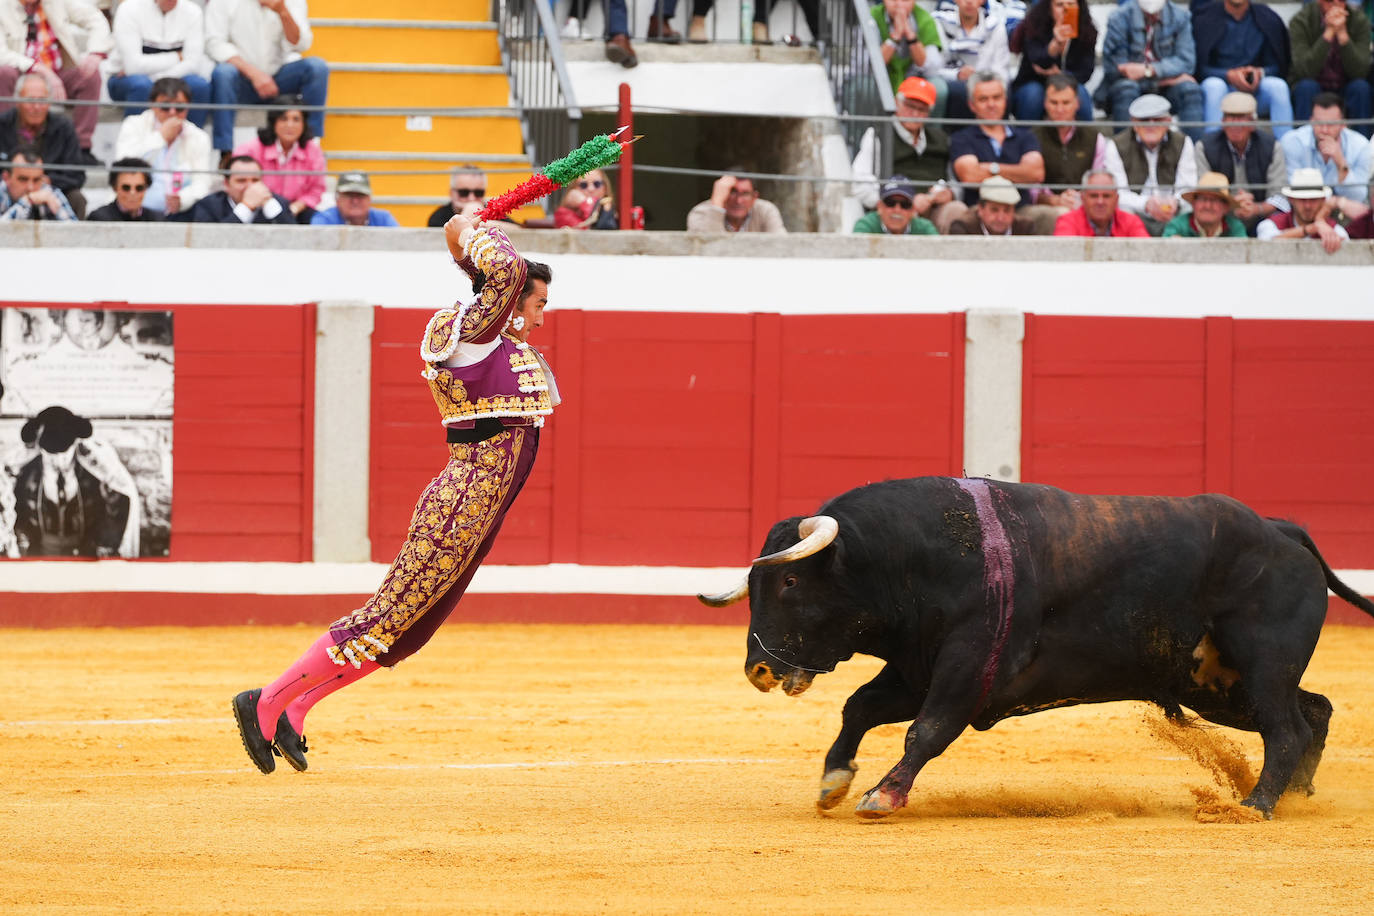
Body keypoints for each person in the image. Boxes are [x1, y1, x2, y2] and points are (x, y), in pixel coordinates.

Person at [231, 214, 558, 774]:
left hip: (479, 510)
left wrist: (463, 242)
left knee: (408, 629)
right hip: (460, 505)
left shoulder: (494, 343)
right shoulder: (471, 335)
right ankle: (263, 700)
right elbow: (501, 268)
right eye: (537, 302)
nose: (539, 315)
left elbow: (491, 270)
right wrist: (469, 225)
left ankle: (298, 706)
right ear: (509, 299)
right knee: (386, 616)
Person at [205, 0, 328, 157]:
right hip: (241, 81)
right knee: (223, 73)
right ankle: (225, 152)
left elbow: (301, 44)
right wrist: (254, 74)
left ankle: (309, 146)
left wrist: (283, 11)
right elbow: (214, 44)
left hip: (278, 80)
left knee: (317, 68)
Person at [11, 404, 132, 557]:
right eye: (50, 454)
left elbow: (117, 504)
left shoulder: (93, 473)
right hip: (40, 552)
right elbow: (17, 510)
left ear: (74, 446)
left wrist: (102, 545)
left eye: (65, 453)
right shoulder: (26, 475)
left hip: (85, 552)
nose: (58, 460)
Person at [851, 76, 968, 233]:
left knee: (956, 210)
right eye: (909, 106)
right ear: (897, 104)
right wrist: (903, 203)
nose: (914, 113)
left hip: (934, 208)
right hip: (894, 208)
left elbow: (956, 181)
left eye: (922, 109)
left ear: (928, 113)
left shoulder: (941, 138)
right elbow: (859, 183)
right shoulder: (878, 134)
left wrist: (950, 193)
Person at [0, 0, 111, 155]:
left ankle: (81, 149)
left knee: (90, 75)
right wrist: (40, 69)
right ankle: (5, 145)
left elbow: (95, 18)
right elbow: (2, 54)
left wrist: (96, 53)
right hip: (21, 75)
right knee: (3, 73)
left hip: (59, 73)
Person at [950, 71, 1054, 229]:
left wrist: (991, 168)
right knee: (957, 216)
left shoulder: (1025, 136)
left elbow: (1035, 173)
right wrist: (1018, 172)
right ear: (972, 105)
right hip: (978, 210)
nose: (991, 104)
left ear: (1005, 101)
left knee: (1052, 216)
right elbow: (970, 176)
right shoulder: (961, 138)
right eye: (983, 99)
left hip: (1020, 210)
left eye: (996, 97)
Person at [1098, 0, 1204, 140]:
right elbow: (1115, 70)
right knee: (1126, 88)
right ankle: (1123, 154)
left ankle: (1193, 154)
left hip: (1165, 90)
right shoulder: (1119, 17)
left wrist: (1148, 70)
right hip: (1128, 89)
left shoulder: (1180, 16)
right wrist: (1167, 77)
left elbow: (1187, 62)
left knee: (1190, 90)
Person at [113, 75, 213, 216]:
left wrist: (183, 199)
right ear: (152, 105)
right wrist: (161, 137)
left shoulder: (199, 137)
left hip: (180, 212)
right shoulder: (133, 124)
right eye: (165, 106)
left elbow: (202, 182)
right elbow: (123, 166)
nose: (172, 113)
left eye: (179, 108)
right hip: (136, 211)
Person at [1193, 0, 1293, 138]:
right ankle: (1212, 150)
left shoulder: (1267, 17)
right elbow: (1198, 68)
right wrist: (1228, 75)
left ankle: (1286, 149)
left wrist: (1259, 73)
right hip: (1220, 91)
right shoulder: (1205, 19)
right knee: (1214, 86)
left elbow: (1279, 65)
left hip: (1255, 90)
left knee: (1278, 86)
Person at [105, 0, 212, 127]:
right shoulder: (128, 8)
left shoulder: (193, 12)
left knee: (199, 86)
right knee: (141, 85)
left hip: (167, 78)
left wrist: (157, 79)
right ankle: (135, 143)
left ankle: (190, 141)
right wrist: (177, 57)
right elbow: (133, 66)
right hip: (124, 81)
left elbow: (193, 64)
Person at [1193, 90, 1286, 232]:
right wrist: (1231, 204)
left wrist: (1256, 208)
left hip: (1261, 217)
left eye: (1241, 117)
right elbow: (1204, 192)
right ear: (1222, 121)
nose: (1235, 124)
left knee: (1273, 224)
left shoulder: (1272, 146)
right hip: (1219, 216)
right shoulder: (1205, 147)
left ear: (1253, 123)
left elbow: (1278, 196)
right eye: (1230, 117)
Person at [1107, 93, 1198, 236]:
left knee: (1189, 209)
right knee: (1121, 210)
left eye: (1157, 119)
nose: (1151, 125)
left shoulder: (1182, 142)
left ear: (1168, 121)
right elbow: (1118, 192)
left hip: (1172, 211)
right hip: (1136, 210)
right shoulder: (1116, 145)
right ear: (1134, 123)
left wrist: (1175, 203)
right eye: (1144, 120)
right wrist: (1146, 204)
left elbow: (1187, 186)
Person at [1033, 74, 1125, 213]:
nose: (1060, 109)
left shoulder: (1094, 138)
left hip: (1085, 204)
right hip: (1047, 207)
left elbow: (1098, 180)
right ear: (1045, 103)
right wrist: (1054, 200)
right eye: (1054, 102)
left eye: (1066, 103)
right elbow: (1031, 191)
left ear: (1077, 103)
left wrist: (1081, 198)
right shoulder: (1032, 137)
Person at [232, 93, 325, 222]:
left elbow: (316, 189)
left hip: (297, 210)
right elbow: (240, 182)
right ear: (273, 122)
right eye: (283, 119)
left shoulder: (313, 151)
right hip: (260, 208)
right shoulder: (250, 149)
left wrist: (294, 209)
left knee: (317, 220)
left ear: (304, 124)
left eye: (296, 119)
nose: (290, 125)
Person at [0, 70, 84, 211]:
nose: (37, 107)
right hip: (9, 190)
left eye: (42, 100)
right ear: (18, 101)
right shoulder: (2, 124)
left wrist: (47, 182)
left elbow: (76, 175)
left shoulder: (64, 127)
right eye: (31, 100)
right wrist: (16, 183)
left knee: (77, 198)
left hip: (52, 192)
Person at [1287, 0, 1371, 135]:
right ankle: (1303, 145)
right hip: (1314, 84)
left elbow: (1360, 71)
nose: (1336, 5)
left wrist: (1343, 36)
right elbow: (1304, 70)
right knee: (1306, 87)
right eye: (1330, 1)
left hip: (1346, 85)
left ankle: (1364, 149)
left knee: (1361, 88)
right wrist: (1329, 33)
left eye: (1341, 1)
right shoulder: (1301, 20)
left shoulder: (1359, 21)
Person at [1010, 0, 1096, 123]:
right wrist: (1055, 45)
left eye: (1071, 4)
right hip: (1033, 82)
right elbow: (1037, 62)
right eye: (1059, 5)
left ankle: (1085, 140)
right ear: (1050, 8)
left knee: (1080, 95)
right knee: (1033, 96)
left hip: (1069, 82)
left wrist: (1062, 76)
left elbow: (1085, 72)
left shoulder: (1087, 31)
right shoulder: (1034, 26)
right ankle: (1026, 138)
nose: (1065, 9)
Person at [1279, 91, 1372, 204]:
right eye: (1319, 123)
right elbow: (1291, 190)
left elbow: (1358, 197)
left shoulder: (1361, 146)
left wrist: (1340, 163)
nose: (1324, 130)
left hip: (1343, 210)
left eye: (1331, 124)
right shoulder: (1292, 142)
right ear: (1311, 120)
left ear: (1343, 124)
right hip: (1304, 208)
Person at [934, 0, 1011, 121]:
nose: (969, 2)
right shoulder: (939, 21)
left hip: (988, 81)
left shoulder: (996, 25)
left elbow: (1001, 69)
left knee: (1001, 92)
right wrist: (957, 74)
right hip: (952, 81)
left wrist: (983, 81)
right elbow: (933, 67)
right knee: (959, 91)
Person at [169, 153, 295, 223]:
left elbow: (295, 239)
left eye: (255, 180)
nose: (250, 187)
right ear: (227, 184)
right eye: (241, 181)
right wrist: (246, 207)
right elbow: (210, 241)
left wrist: (273, 208)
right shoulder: (208, 205)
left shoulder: (279, 203)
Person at [1256, 165, 1348, 252]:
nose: (1307, 206)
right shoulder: (1271, 224)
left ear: (1322, 200)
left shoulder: (1336, 230)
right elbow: (1266, 244)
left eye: (1313, 200)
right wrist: (1311, 228)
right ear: (1291, 199)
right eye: (1302, 200)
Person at [873, 0, 946, 105]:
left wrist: (911, 36)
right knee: (863, 84)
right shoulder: (871, 17)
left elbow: (932, 70)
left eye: (905, 0)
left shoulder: (926, 19)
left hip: (914, 80)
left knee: (938, 87)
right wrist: (895, 36)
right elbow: (867, 66)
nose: (898, 4)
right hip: (880, 80)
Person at [1053, 168, 1151, 236]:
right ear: (1083, 198)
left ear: (1116, 199)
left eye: (1106, 196)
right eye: (1094, 196)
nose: (1100, 202)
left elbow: (1146, 255)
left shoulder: (1131, 222)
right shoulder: (1067, 222)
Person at [687, 171, 786, 232]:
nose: (738, 201)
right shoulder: (700, 213)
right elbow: (708, 251)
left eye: (745, 193)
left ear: (754, 197)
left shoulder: (766, 210)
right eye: (732, 192)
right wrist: (717, 205)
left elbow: (782, 247)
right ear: (722, 193)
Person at [0, 143, 76, 219]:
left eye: (36, 180)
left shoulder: (50, 193)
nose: (30, 187)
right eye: (23, 179)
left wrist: (57, 209)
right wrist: (27, 201)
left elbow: (74, 229)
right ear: (6, 177)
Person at [1161, 170, 1247, 236]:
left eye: (1214, 200)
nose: (1207, 206)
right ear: (1193, 203)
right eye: (1203, 199)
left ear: (1226, 207)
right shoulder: (1177, 226)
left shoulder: (1235, 228)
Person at [949, 175, 1037, 233]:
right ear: (980, 209)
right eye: (994, 210)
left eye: (1007, 210)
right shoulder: (963, 228)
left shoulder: (1026, 228)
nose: (1000, 218)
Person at [852, 175, 939, 234]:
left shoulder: (925, 228)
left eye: (905, 204)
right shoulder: (866, 225)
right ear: (879, 206)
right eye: (890, 203)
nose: (897, 210)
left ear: (913, 210)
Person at [309, 170, 397, 227]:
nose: (355, 201)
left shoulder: (384, 219)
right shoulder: (324, 220)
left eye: (360, 195)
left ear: (369, 199)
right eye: (349, 195)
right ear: (337, 198)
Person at [85, 156, 162, 220]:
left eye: (139, 188)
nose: (132, 193)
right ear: (115, 187)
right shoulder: (99, 219)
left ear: (146, 188)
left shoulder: (157, 219)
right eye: (126, 187)